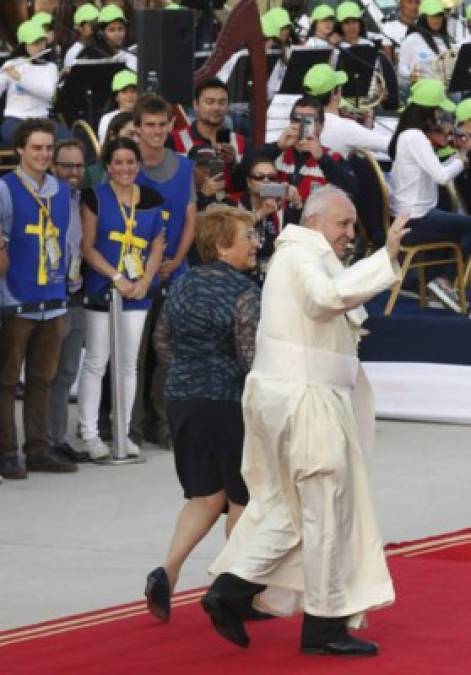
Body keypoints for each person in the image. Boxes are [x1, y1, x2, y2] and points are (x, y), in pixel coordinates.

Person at [201, 186, 410, 656]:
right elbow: (326, 299)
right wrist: (388, 256)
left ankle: (230, 594)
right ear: (316, 222)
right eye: (344, 224)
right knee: (327, 513)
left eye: (354, 225)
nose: (350, 235)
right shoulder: (300, 256)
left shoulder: (299, 254)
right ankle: (323, 627)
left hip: (293, 397)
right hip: (306, 401)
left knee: (288, 509)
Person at [144, 206, 261, 623]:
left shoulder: (181, 284)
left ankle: (168, 571)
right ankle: (231, 590)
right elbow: (250, 358)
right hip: (228, 403)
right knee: (241, 498)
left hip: (182, 400)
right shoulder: (244, 291)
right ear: (222, 245)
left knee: (204, 495)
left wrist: (191, 374)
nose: (255, 244)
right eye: (247, 236)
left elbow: (162, 342)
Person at [78, 137, 165, 460]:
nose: (125, 168)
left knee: (129, 364)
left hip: (138, 292)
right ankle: (89, 434)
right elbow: (87, 245)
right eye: (118, 162)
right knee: (97, 361)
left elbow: (157, 244)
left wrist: (144, 280)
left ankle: (122, 431)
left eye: (131, 162)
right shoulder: (94, 197)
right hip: (104, 289)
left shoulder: (152, 198)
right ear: (108, 166)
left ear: (138, 165)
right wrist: (116, 277)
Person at [0, 119, 77, 480]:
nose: (44, 154)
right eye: (37, 148)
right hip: (15, 296)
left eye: (49, 148)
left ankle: (37, 449)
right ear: (20, 149)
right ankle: (6, 451)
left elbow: (68, 241)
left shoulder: (62, 191)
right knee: (6, 378)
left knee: (42, 379)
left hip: (54, 297)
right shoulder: (5, 188)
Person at [129, 94, 196, 449]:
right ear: (137, 129)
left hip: (175, 271)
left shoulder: (184, 166)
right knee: (136, 356)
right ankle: (132, 425)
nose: (157, 131)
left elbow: (189, 219)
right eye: (149, 125)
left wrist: (176, 259)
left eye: (162, 124)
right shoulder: (128, 165)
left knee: (169, 354)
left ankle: (164, 424)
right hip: (136, 274)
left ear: (171, 125)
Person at [389, 79, 471, 312]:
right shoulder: (414, 137)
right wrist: (463, 156)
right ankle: (443, 282)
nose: (440, 118)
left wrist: (456, 156)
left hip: (411, 216)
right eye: (438, 112)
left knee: (458, 224)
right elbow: (442, 177)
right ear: (430, 112)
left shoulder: (408, 135)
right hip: (415, 221)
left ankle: (432, 281)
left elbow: (436, 168)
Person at [47, 139, 89, 464]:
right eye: (66, 165)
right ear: (53, 165)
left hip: (76, 293)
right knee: (43, 373)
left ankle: (56, 439)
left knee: (66, 372)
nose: (72, 172)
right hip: (48, 297)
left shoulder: (81, 200)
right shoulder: (43, 199)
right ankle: (41, 443)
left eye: (78, 166)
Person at [258, 94, 359, 219]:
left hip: (314, 230)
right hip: (275, 227)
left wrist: (322, 158)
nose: (302, 126)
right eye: (297, 120)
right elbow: (250, 182)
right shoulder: (277, 153)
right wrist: (277, 146)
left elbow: (352, 192)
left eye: (308, 120)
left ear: (321, 127)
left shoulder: (332, 158)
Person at [171, 78, 246, 194]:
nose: (216, 108)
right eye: (210, 102)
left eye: (222, 102)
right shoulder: (174, 139)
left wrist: (233, 164)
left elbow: (245, 185)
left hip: (229, 210)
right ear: (196, 104)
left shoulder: (239, 141)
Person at [303, 63, 391, 158]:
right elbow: (391, 145)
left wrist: (365, 129)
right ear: (334, 93)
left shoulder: (302, 121)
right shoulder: (346, 127)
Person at [0, 20, 62, 144]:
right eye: (35, 43)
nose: (41, 47)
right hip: (15, 119)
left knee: (68, 139)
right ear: (24, 45)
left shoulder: (50, 67)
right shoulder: (12, 65)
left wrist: (20, 78)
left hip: (43, 120)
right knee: (28, 141)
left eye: (42, 42)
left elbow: (49, 94)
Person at [398, 0, 454, 91]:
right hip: (421, 91)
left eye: (439, 16)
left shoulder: (447, 40)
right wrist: (414, 77)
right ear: (423, 18)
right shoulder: (412, 39)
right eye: (432, 16)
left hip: (447, 89)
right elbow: (402, 68)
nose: (437, 20)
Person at [77, 3, 136, 72]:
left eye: (120, 29)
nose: (117, 34)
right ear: (101, 32)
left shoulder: (127, 54)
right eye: (111, 30)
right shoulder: (90, 55)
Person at [97, 69, 138, 145]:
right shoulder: (107, 119)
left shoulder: (145, 117)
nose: (130, 96)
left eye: (133, 91)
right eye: (124, 91)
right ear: (116, 97)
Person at [63, 3, 100, 70]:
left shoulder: (102, 47)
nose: (95, 27)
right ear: (79, 27)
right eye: (91, 23)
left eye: (96, 23)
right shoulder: (74, 52)